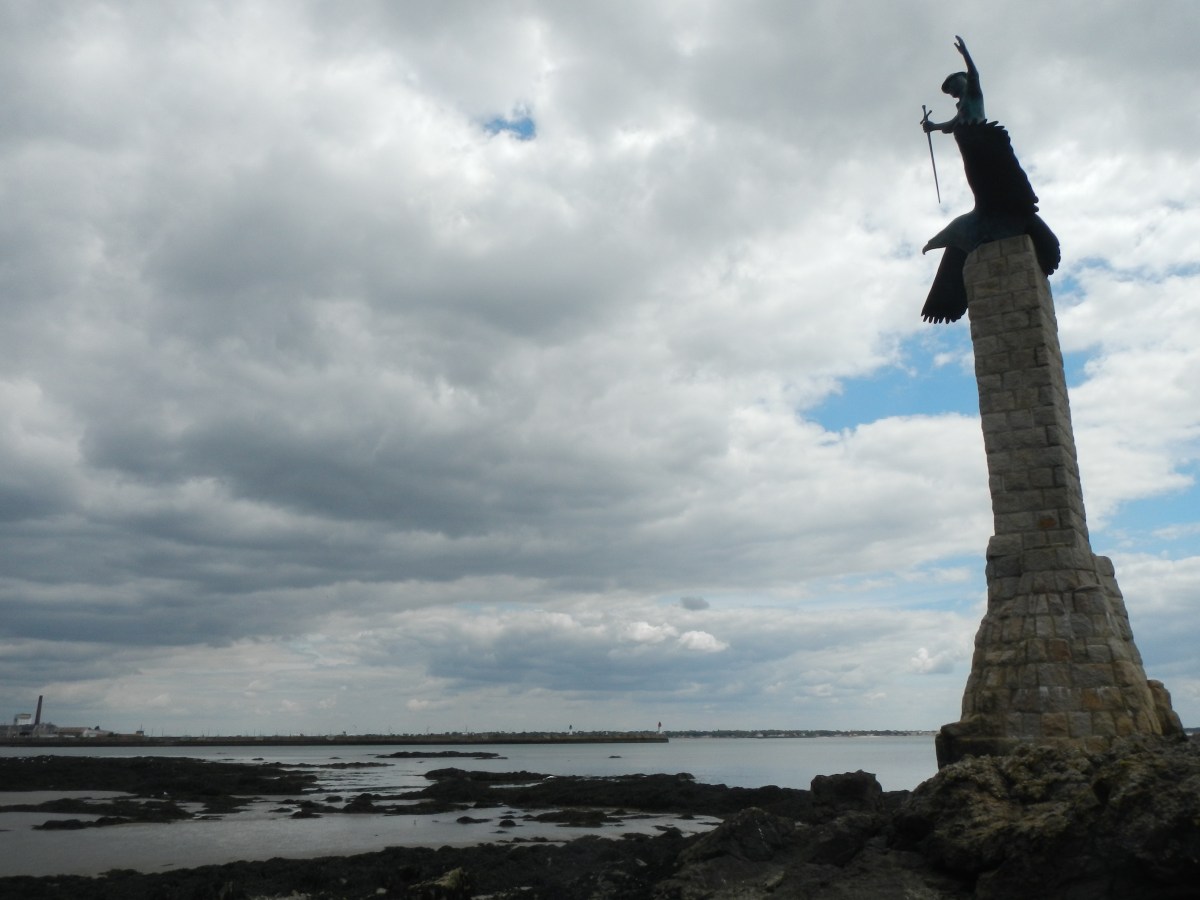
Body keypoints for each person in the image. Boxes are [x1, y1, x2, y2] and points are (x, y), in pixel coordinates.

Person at [923, 36, 984, 133]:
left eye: (950, 85)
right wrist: (933, 127)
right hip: (968, 139)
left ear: (959, 80)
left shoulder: (972, 93)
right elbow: (952, 124)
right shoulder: (961, 104)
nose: (949, 90)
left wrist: (965, 53)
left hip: (979, 134)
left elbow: (974, 75)